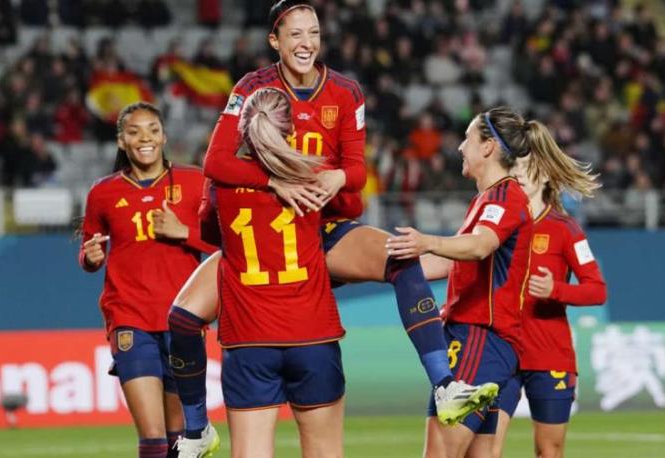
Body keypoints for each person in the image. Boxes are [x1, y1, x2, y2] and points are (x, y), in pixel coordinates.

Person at [168, 2, 493, 453]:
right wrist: (277, 182)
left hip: (323, 228)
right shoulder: (253, 88)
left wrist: (337, 177)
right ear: (274, 41)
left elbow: (356, 175)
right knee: (183, 316)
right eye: (295, 34)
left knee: (401, 258)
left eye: (314, 33)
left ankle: (444, 384)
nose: (306, 44)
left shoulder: (345, 91)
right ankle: (197, 430)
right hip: (269, 228)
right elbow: (215, 162)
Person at [385, 107, 535, 458]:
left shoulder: (503, 196)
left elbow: (480, 246)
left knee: (440, 453)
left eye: (467, 138)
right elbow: (453, 261)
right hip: (492, 344)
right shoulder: (487, 200)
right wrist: (384, 269)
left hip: (478, 338)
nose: (459, 147)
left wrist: (427, 241)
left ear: (487, 147)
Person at [78, 102, 219, 458]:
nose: (145, 138)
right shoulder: (102, 192)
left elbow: (226, 241)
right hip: (129, 317)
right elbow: (90, 251)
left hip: (182, 319)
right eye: (135, 132)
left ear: (164, 137)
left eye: (153, 130)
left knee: (178, 439)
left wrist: (183, 231)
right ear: (121, 141)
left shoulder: (194, 181)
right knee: (153, 438)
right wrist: (90, 258)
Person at [211, 86, 345, 458]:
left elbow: (208, 226)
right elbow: (352, 204)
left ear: (243, 130)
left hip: (248, 336)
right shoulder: (314, 173)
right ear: (291, 129)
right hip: (312, 331)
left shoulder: (221, 184)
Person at [487, 131, 607, 458]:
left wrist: (555, 290)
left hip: (549, 355)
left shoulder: (564, 229)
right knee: (485, 449)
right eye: (513, 169)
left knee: (548, 451)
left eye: (526, 168)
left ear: (545, 176)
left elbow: (597, 290)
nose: (518, 175)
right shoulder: (497, 224)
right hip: (503, 353)